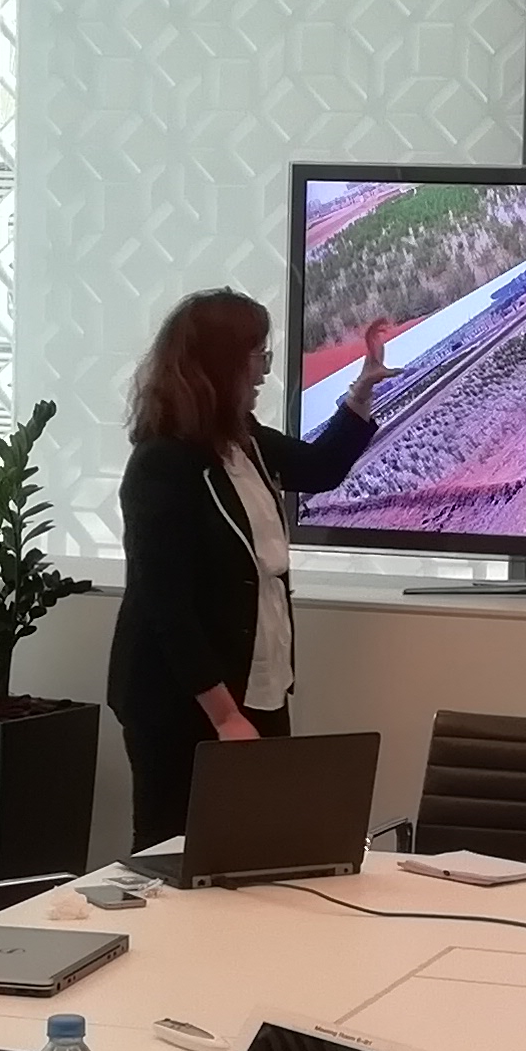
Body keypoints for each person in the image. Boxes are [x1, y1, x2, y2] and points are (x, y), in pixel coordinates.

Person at [107, 289, 387, 851]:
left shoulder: (243, 438)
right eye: (257, 354)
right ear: (219, 364)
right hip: (184, 702)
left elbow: (321, 467)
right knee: (176, 852)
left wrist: (360, 391)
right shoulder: (163, 463)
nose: (263, 369)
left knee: (253, 845)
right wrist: (225, 718)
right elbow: (168, 608)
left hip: (258, 685)